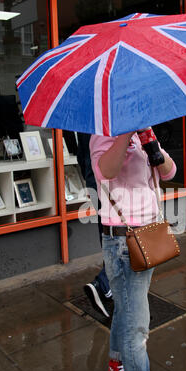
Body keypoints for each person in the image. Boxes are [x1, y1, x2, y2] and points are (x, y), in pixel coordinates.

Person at [89, 128, 186, 371]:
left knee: (127, 308)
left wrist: (153, 148)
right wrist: (124, 136)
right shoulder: (102, 136)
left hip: (148, 233)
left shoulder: (144, 135)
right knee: (137, 322)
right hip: (123, 240)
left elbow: (170, 173)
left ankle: (117, 366)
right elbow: (105, 171)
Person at [76, 132, 112, 318]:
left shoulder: (87, 114)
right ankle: (103, 284)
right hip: (114, 187)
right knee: (119, 240)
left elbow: (80, 153)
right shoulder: (107, 119)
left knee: (107, 236)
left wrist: (89, 178)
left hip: (95, 182)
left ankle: (109, 285)